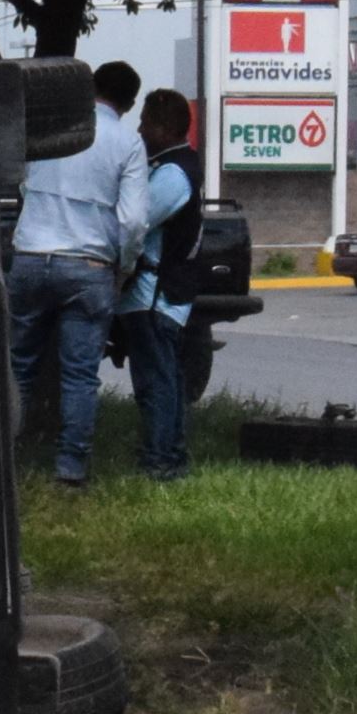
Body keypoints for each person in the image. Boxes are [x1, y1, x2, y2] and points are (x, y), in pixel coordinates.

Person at [11, 59, 154, 489]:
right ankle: (70, 470)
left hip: (32, 256)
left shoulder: (51, 132)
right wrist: (123, 268)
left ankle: (4, 460)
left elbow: (22, 186)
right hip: (89, 267)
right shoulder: (127, 143)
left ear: (89, 88)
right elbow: (132, 221)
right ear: (129, 103)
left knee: (18, 365)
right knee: (79, 375)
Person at [118, 87, 205, 480]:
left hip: (155, 295)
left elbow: (136, 220)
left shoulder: (172, 174)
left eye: (145, 122)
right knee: (166, 379)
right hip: (162, 292)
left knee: (156, 382)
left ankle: (159, 461)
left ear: (163, 127)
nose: (139, 130)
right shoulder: (176, 166)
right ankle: (169, 458)